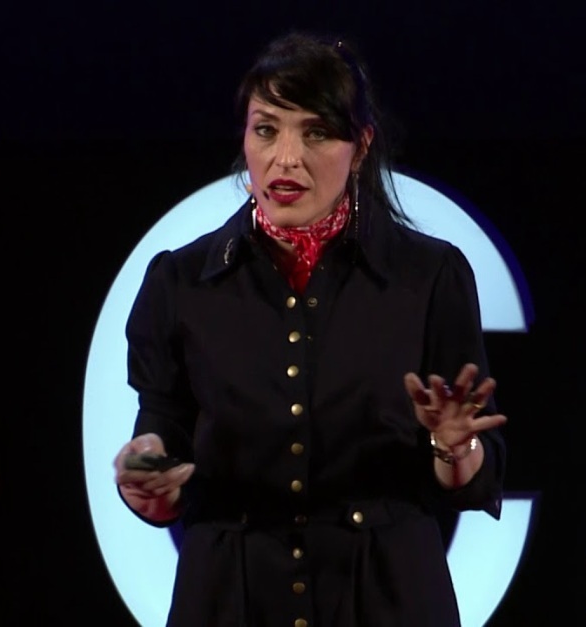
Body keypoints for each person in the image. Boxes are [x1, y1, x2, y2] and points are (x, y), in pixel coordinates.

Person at [113, 31, 507, 627]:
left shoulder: (429, 277)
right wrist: (148, 470)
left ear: (361, 146)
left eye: (316, 132)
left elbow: (477, 473)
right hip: (230, 598)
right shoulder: (182, 282)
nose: (286, 157)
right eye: (266, 129)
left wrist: (453, 448)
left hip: (386, 600)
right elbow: (162, 430)